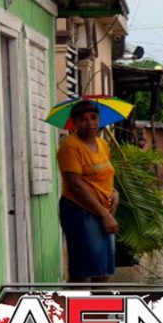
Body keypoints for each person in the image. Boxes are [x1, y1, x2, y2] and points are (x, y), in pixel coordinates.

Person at [57, 101, 119, 283]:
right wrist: (104, 215)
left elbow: (104, 174)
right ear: (74, 123)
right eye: (83, 119)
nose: (90, 123)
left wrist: (114, 192)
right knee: (83, 271)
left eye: (94, 118)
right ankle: (77, 301)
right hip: (81, 211)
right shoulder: (70, 147)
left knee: (104, 270)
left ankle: (99, 302)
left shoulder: (102, 144)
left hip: (104, 211)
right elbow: (75, 184)